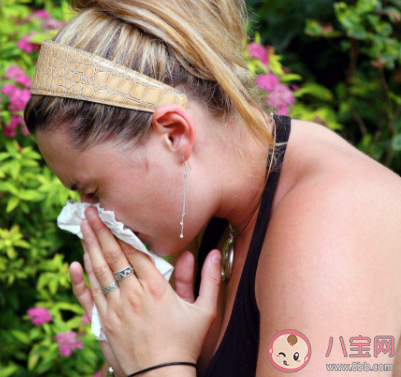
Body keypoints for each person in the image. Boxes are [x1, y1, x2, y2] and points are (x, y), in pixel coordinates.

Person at [23, 0, 401, 376]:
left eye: (92, 191)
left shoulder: (335, 223)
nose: (91, 214)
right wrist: (129, 356)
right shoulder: (205, 213)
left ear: (174, 134)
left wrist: (156, 366)